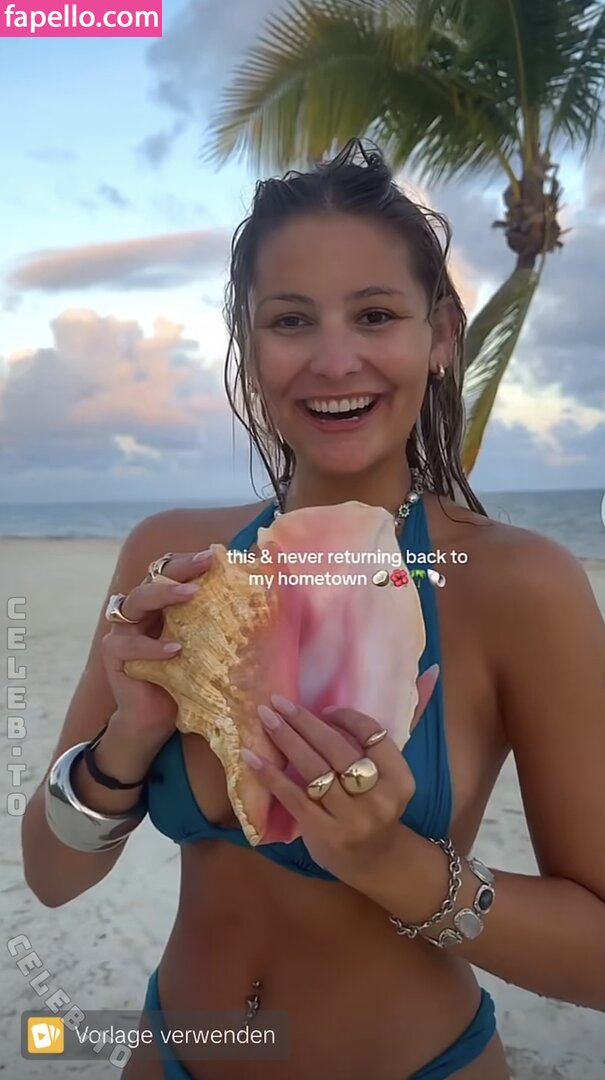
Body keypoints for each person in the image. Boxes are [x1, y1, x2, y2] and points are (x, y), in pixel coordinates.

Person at [22, 139, 605, 1080]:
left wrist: (391, 866)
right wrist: (127, 741)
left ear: (440, 334)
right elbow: (51, 878)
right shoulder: (174, 558)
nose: (335, 362)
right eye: (291, 321)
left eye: (375, 314)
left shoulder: (517, 585)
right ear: (250, 346)